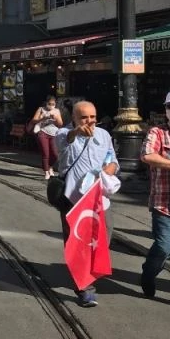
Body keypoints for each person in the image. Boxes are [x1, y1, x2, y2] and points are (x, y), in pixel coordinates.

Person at [54, 100, 118, 308]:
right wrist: (76, 132)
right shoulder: (63, 135)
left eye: (92, 117)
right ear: (74, 118)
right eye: (83, 117)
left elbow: (113, 160)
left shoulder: (104, 135)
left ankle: (89, 275)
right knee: (78, 243)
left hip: (100, 199)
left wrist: (108, 170)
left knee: (103, 241)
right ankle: (84, 288)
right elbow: (66, 141)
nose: (89, 121)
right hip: (74, 199)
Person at [139, 89, 170, 298]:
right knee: (166, 246)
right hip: (165, 203)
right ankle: (149, 272)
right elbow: (147, 155)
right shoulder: (158, 132)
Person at [30, 95, 64, 179]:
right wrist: (43, 118)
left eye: (53, 104)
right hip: (43, 133)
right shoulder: (41, 109)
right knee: (46, 153)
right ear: (46, 103)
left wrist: (55, 118)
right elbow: (34, 120)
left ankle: (50, 167)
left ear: (55, 104)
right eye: (49, 103)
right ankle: (46, 171)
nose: (51, 105)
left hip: (54, 134)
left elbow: (60, 124)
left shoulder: (57, 111)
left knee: (55, 155)